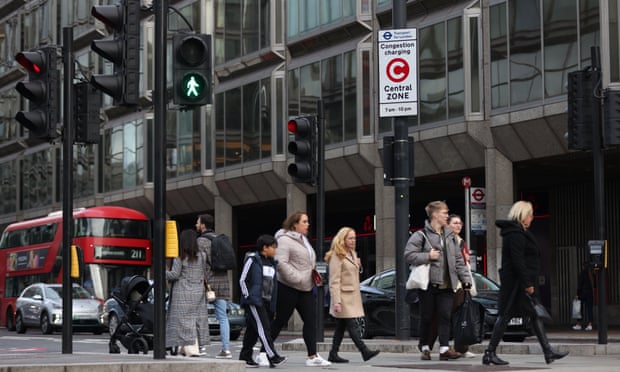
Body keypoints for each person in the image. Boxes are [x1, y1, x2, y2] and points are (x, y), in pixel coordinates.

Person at [483, 200, 569, 365]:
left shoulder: (518, 232)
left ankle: (548, 352)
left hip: (520, 282)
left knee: (534, 314)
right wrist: (527, 284)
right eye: (530, 214)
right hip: (517, 284)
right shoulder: (515, 234)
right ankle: (489, 352)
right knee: (505, 316)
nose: (532, 218)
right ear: (523, 216)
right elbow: (518, 261)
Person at [404, 201, 472, 361]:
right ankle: (425, 347)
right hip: (428, 284)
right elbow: (408, 255)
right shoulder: (420, 235)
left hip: (448, 284)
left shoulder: (450, 236)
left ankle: (444, 349)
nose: (447, 216)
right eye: (444, 213)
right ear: (435, 215)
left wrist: (466, 279)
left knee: (444, 316)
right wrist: (428, 256)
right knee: (427, 316)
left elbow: (458, 260)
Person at [270, 211, 331, 367]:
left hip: (306, 287)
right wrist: (297, 277)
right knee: (280, 320)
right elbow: (281, 263)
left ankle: (312, 356)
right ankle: (264, 352)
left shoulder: (304, 240)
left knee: (311, 320)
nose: (307, 224)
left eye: (307, 221)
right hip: (288, 287)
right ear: (294, 224)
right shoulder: (284, 240)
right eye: (304, 221)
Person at [325, 227, 380, 363]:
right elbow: (334, 280)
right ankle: (364, 351)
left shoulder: (352, 254)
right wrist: (336, 301)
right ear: (343, 239)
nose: (353, 241)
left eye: (354, 238)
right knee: (352, 325)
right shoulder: (337, 256)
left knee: (341, 327)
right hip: (343, 297)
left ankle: (333, 353)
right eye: (350, 238)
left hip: (351, 296)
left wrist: (358, 265)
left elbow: (351, 275)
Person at [238, 234, 287, 368]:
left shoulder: (272, 263)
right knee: (264, 329)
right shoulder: (252, 260)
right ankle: (272, 356)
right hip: (255, 301)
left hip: (266, 302)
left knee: (253, 331)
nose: (275, 250)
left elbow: (272, 286)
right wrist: (249, 297)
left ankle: (245, 356)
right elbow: (242, 280)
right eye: (273, 247)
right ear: (265, 248)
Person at [165, 229, 209, 357]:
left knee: (182, 321)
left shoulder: (180, 257)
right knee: (194, 320)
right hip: (198, 292)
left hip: (182, 292)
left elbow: (174, 275)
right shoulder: (202, 256)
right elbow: (203, 272)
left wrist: (162, 273)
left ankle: (191, 349)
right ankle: (184, 348)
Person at [196, 213, 233, 359]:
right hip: (223, 280)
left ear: (203, 225)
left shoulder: (200, 241)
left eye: (198, 222)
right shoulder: (219, 239)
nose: (196, 225)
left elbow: (200, 264)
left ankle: (202, 347)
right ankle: (226, 349)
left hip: (207, 282)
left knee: (201, 315)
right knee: (223, 317)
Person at [448, 214, 477, 358]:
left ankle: (462, 348)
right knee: (447, 317)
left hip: (461, 284)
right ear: (447, 225)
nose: (458, 226)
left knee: (462, 316)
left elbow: (464, 264)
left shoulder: (461, 241)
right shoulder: (445, 240)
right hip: (449, 284)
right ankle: (439, 346)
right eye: (455, 223)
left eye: (460, 223)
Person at [573, 262, 594, 331]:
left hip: (583, 293)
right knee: (589, 309)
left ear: (583, 266)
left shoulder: (582, 274)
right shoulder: (591, 274)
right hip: (590, 293)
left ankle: (579, 324)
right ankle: (590, 324)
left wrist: (577, 294)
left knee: (579, 309)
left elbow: (580, 285)